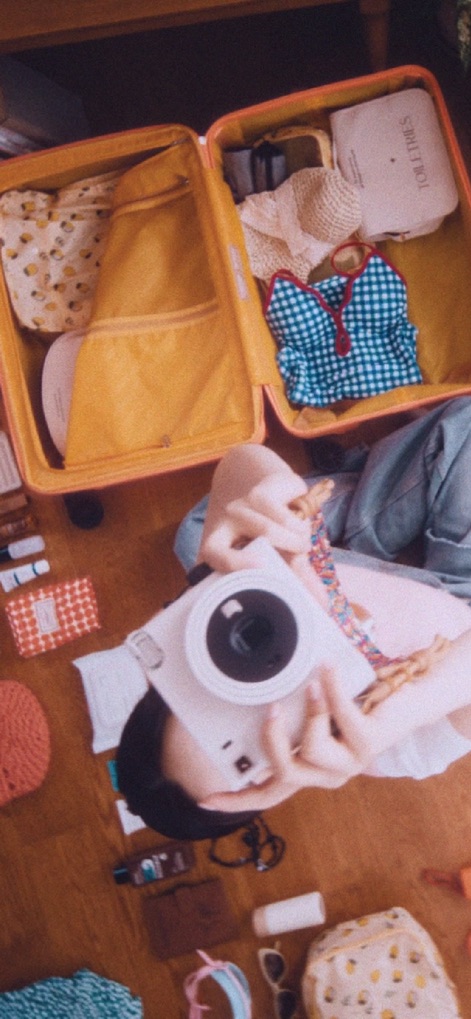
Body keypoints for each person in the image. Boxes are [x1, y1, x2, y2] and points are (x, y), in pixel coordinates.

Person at [117, 397, 471, 839]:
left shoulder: (220, 612)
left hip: (333, 566)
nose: (270, 689)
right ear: (278, 780)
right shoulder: (385, 746)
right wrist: (406, 710)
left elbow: (241, 464)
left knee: (205, 536)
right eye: (248, 745)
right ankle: (365, 486)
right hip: (459, 605)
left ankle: (345, 507)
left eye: (216, 705)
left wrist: (274, 487)